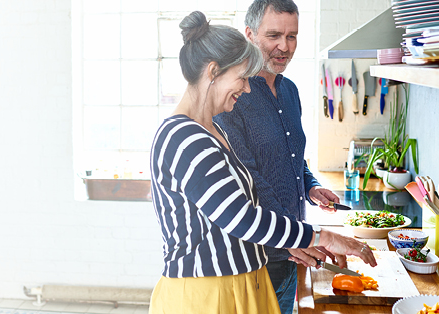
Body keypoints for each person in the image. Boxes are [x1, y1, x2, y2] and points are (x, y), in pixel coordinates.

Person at [148, 11, 375, 314]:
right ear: (213, 72)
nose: (245, 87)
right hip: (208, 295)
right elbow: (241, 218)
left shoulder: (210, 130)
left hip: (241, 284)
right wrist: (324, 237)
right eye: (241, 78)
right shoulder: (184, 138)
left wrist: (295, 238)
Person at [212, 1, 341, 312]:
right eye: (273, 35)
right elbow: (249, 179)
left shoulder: (290, 91)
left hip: (293, 251)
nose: (284, 46)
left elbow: (292, 156)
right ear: (250, 35)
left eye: (292, 36)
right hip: (255, 258)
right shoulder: (233, 96)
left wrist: (310, 186)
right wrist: (299, 237)